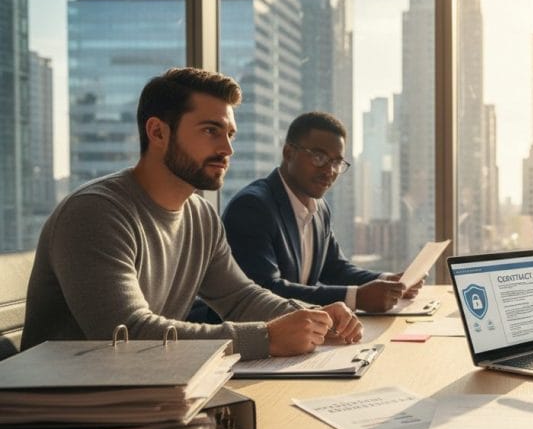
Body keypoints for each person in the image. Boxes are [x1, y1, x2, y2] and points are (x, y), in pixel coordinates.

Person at [22, 68, 362, 360]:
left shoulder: (200, 214)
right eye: (210, 130)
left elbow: (241, 297)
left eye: (229, 134)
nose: (227, 149)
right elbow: (127, 334)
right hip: (70, 416)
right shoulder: (95, 212)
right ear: (157, 132)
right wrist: (266, 337)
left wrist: (312, 318)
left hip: (150, 393)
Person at [218, 111, 422, 313]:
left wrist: (387, 281)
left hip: (299, 333)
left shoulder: (320, 208)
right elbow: (265, 291)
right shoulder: (252, 207)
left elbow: (334, 268)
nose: (329, 170)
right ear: (289, 152)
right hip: (247, 339)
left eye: (336, 162)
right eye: (319, 157)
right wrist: (355, 298)